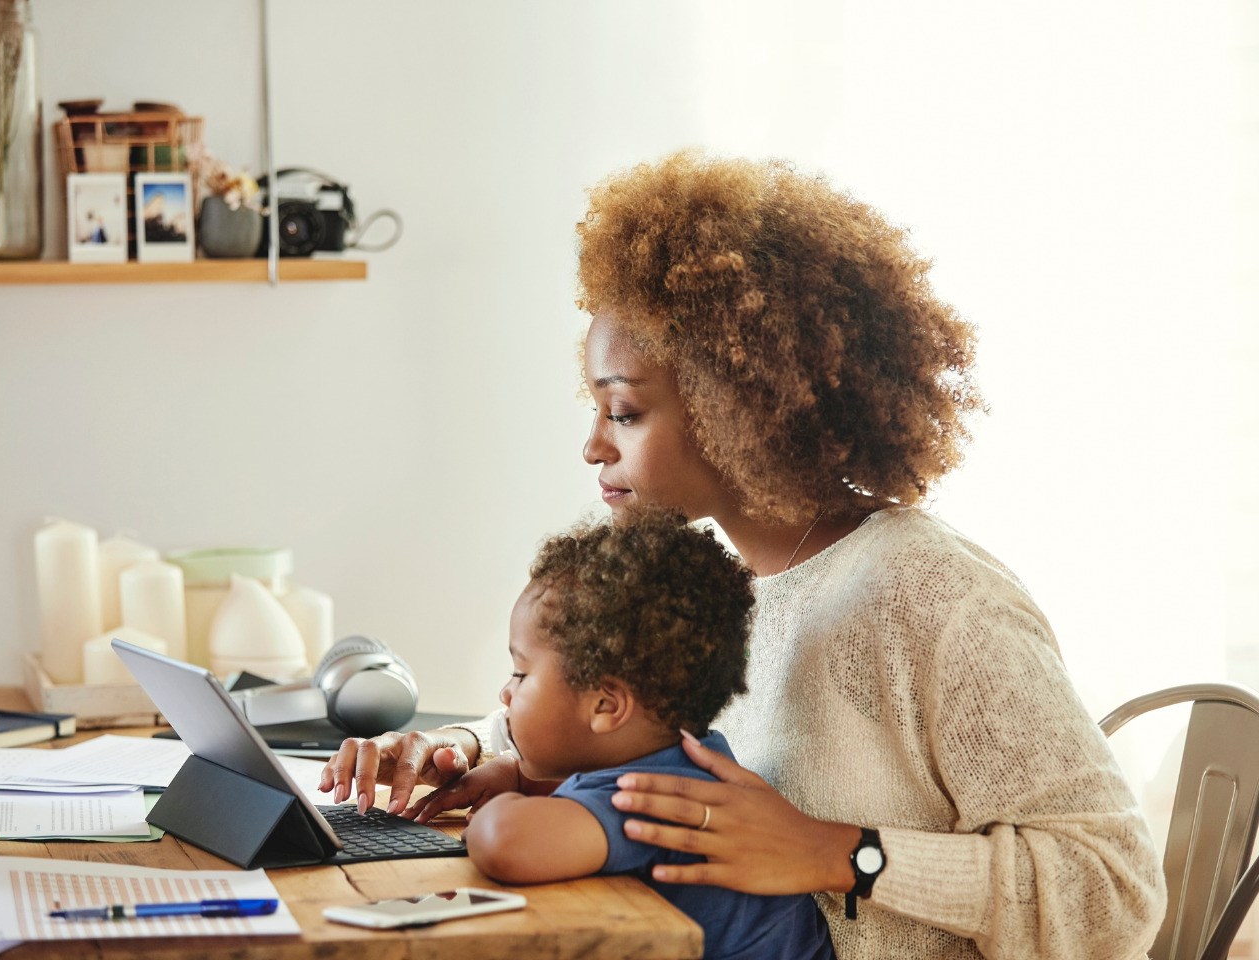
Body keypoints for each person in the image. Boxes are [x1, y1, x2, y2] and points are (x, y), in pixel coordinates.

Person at [319, 150, 1166, 959]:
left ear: (739, 403)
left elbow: (1116, 893)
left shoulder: (931, 595)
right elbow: (618, 718)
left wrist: (843, 855)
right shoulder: (719, 584)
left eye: (624, 412)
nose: (592, 447)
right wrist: (464, 750)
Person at [449, 507, 834, 960]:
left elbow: (505, 843)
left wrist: (499, 811)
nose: (506, 693)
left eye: (520, 673)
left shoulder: (655, 797)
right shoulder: (696, 759)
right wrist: (517, 778)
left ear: (606, 706)